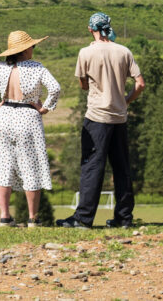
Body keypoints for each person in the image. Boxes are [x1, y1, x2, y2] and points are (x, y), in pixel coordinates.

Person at [57, 12, 145, 229]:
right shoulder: (124, 51)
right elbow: (140, 84)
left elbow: (83, 84)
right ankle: (124, 217)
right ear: (109, 28)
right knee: (121, 167)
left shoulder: (85, 53)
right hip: (119, 117)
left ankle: (83, 218)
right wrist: (126, 100)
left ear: (90, 29)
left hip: (97, 117)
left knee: (92, 167)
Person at [0, 30, 61, 227]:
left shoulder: (1, 68)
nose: (33, 49)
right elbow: (55, 88)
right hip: (28, 116)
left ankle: (5, 217)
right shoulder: (37, 68)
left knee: (4, 166)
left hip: (4, 116)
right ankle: (33, 218)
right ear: (25, 49)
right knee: (30, 166)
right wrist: (45, 108)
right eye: (32, 46)